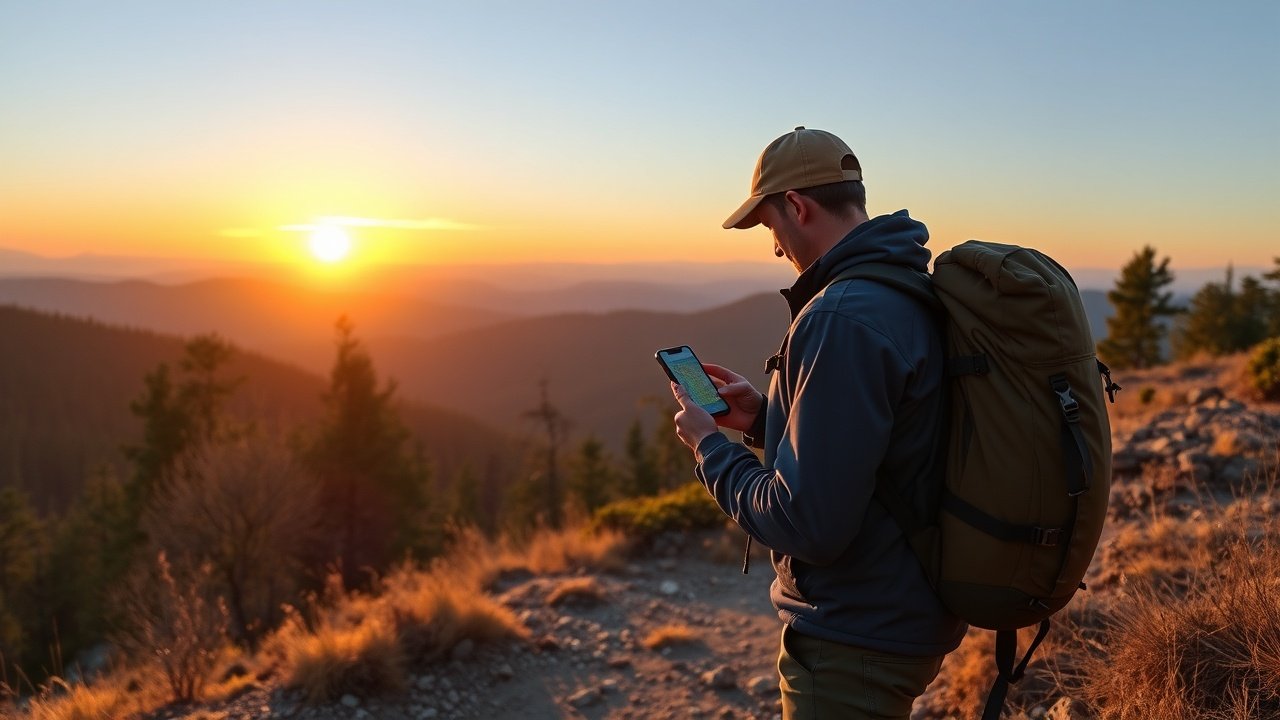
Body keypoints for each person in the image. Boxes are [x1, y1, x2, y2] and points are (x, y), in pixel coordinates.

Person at [669, 127, 965, 720]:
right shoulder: (902, 287)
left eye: (771, 226)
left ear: (798, 206)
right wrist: (767, 420)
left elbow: (806, 524)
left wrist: (711, 450)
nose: (776, 247)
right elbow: (887, 444)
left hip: (854, 637)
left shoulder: (841, 316)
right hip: (896, 611)